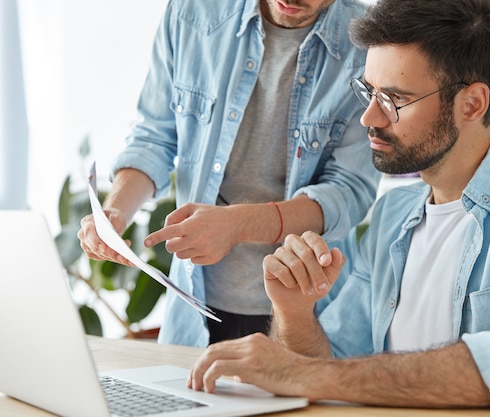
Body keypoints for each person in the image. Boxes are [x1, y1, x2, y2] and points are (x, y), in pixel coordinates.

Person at [186, 0, 490, 410]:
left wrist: (311, 374)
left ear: (471, 103)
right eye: (368, 91)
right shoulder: (393, 215)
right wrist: (294, 312)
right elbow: (331, 364)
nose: (369, 118)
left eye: (394, 99)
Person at [77, 0, 379, 347]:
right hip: (192, 307)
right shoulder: (193, 12)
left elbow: (348, 191)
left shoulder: (368, 44)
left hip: (305, 315)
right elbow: (154, 136)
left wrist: (238, 224)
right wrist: (116, 210)